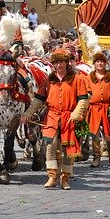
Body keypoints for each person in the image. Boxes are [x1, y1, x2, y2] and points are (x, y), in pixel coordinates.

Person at [21, 48, 89, 190]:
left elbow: (83, 100)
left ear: (66, 63)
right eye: (56, 62)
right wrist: (27, 114)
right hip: (52, 116)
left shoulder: (78, 79)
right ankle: (52, 176)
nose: (59, 65)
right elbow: (38, 100)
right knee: (50, 146)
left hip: (69, 116)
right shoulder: (47, 80)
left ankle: (65, 177)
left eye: (61, 62)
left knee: (68, 148)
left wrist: (75, 114)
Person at [84, 52, 110, 168]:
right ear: (94, 64)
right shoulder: (88, 78)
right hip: (94, 109)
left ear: (106, 63)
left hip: (107, 109)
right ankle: (96, 157)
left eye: (102, 61)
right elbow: (86, 95)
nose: (99, 64)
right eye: (97, 62)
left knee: (109, 135)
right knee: (95, 135)